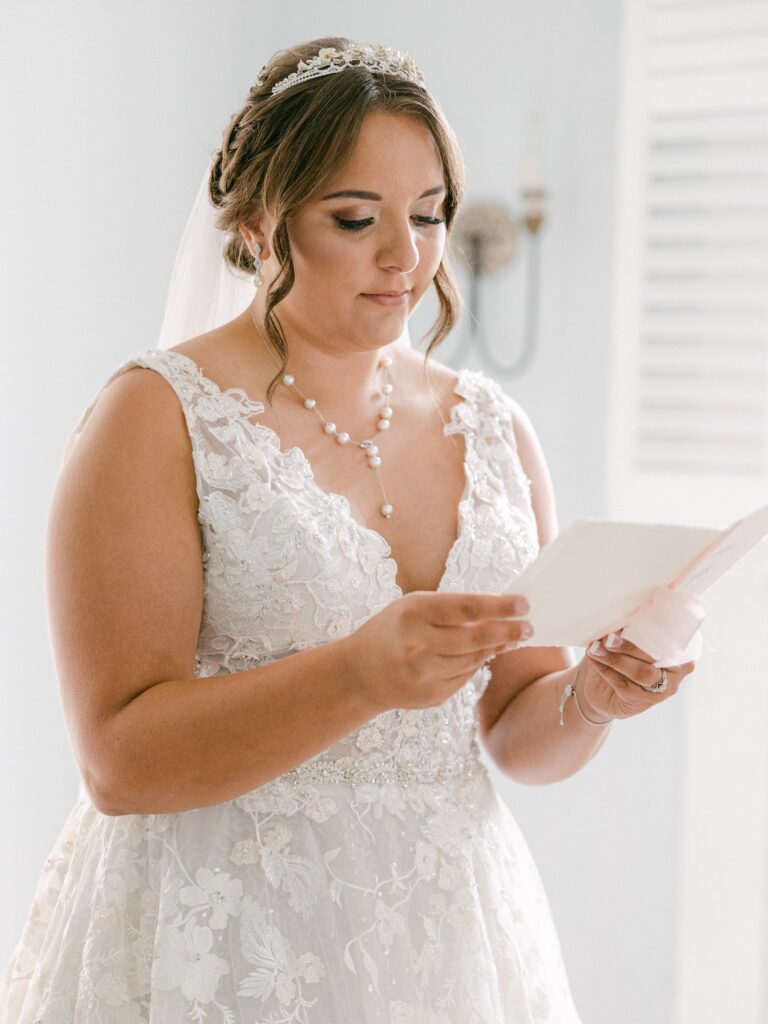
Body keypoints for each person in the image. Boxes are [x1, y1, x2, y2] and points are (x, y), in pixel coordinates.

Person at [0, 36, 698, 1024]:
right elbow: (118, 761)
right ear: (255, 222)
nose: (404, 257)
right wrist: (359, 674)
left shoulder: (493, 430)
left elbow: (514, 731)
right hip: (230, 936)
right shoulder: (157, 418)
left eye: (428, 216)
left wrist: (592, 696)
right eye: (355, 218)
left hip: (446, 943)